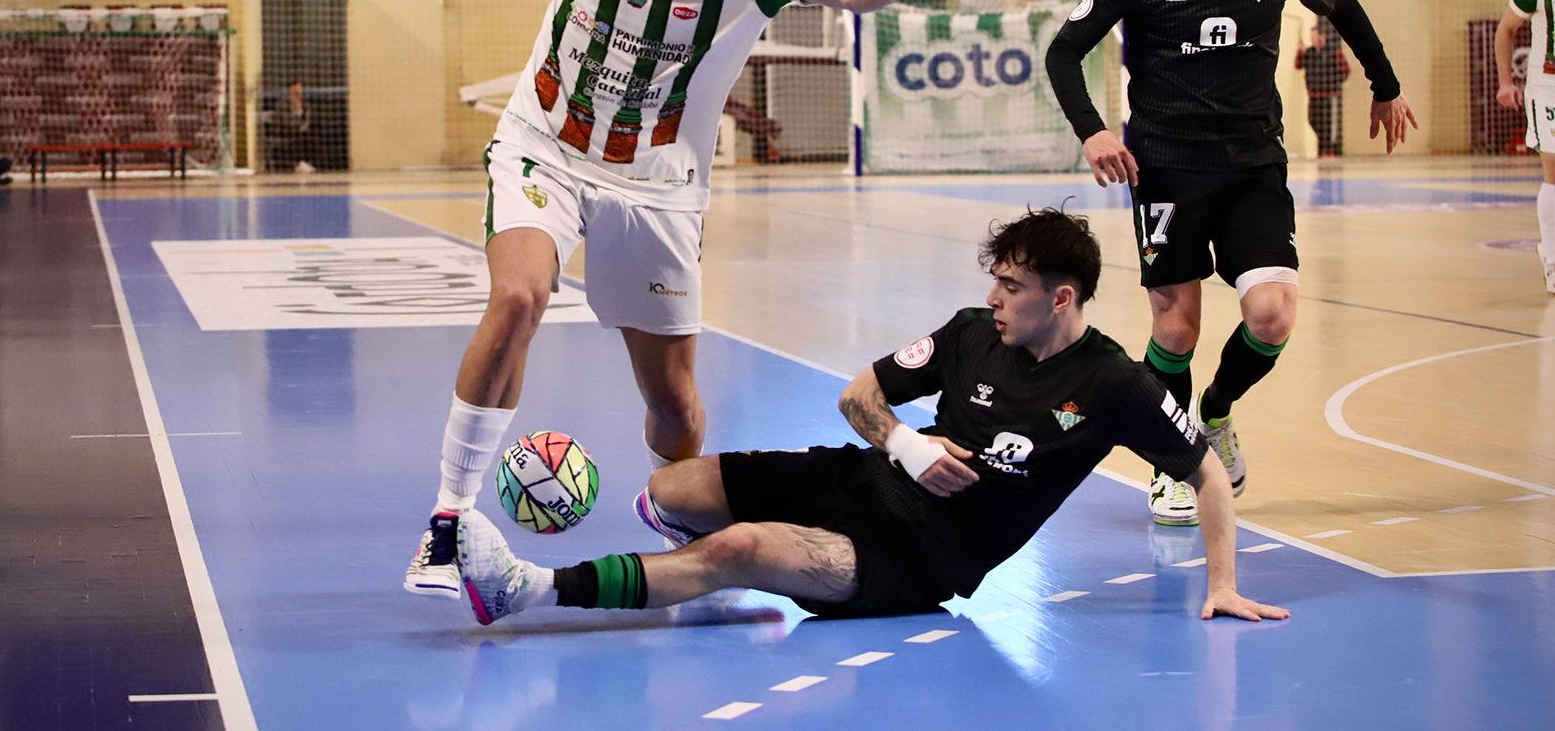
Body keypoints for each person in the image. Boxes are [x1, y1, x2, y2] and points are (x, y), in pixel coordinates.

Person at [403, 0, 926, 601]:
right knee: (517, 299)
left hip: (656, 187)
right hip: (547, 144)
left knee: (676, 405)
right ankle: (447, 519)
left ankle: (685, 523)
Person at [444, 209, 1289, 627]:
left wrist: (1221, 583)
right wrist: (906, 442)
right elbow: (858, 392)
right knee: (676, 485)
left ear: (1060, 298)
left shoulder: (1114, 382)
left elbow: (1205, 469)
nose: (994, 298)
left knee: (737, 546)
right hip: (863, 479)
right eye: (993, 280)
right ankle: (692, 576)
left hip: (917, 557)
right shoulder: (968, 333)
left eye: (1012, 288)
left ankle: (528, 589)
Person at [1045, 0, 1418, 526]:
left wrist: (1386, 84)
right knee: (1176, 327)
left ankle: (1213, 412)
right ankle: (1171, 461)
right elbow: (1065, 52)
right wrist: (1093, 130)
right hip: (1164, 166)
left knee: (1272, 316)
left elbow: (1345, 6)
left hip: (1252, 163)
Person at [1495, 0, 1555, 293]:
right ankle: (1553, 260)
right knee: (1554, 171)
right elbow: (1505, 30)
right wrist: (1506, 82)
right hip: (1547, 90)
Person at [1295, 18, 1350, 157]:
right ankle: (1324, 152)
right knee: (1314, 121)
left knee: (1329, 128)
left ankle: (1329, 153)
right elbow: (1298, 65)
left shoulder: (1333, 52)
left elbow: (1346, 70)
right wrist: (1299, 51)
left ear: (1322, 36)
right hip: (1314, 96)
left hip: (1329, 96)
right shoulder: (1309, 53)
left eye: (1314, 35)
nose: (1312, 38)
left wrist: (1334, 84)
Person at [266, 80, 316, 173]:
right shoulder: (283, 103)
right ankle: (298, 163)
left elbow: (307, 118)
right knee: (298, 135)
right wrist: (298, 125)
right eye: (297, 87)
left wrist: (304, 126)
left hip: (300, 129)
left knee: (309, 134)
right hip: (285, 129)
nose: (299, 90)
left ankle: (304, 162)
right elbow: (284, 120)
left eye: (300, 87)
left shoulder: (304, 102)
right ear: (291, 88)